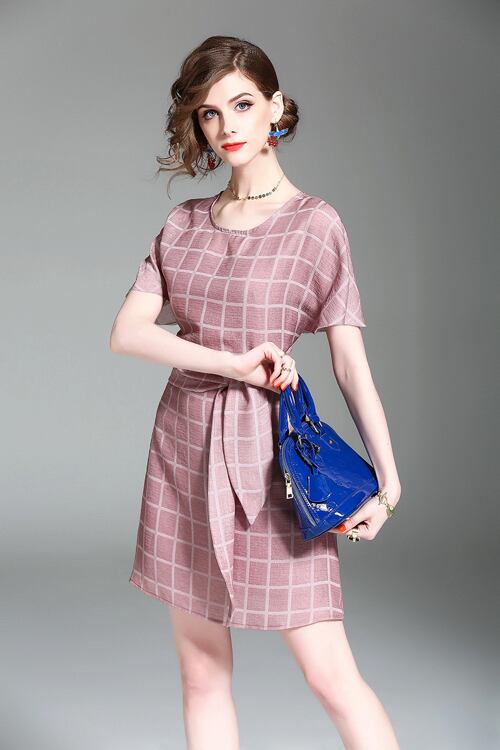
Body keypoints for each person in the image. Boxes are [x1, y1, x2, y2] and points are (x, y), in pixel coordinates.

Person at [110, 34, 401, 750]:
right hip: (183, 455)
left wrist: (388, 484)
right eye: (209, 113)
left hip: (275, 464)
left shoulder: (315, 224)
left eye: (242, 105)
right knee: (201, 676)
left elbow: (350, 363)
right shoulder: (183, 224)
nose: (227, 126)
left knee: (331, 678)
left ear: (276, 106)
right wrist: (233, 364)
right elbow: (128, 333)